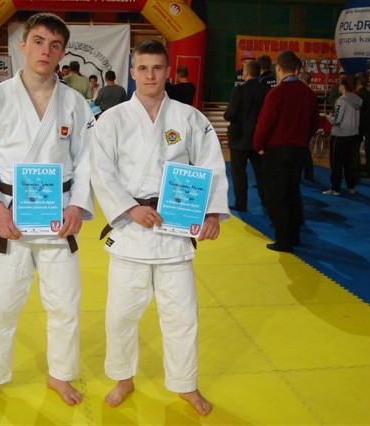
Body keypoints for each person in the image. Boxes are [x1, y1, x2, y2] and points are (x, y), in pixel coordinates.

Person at [90, 39, 229, 416]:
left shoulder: (190, 118)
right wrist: (129, 209)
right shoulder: (112, 119)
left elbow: (211, 166)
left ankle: (186, 384)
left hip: (174, 231)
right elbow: (100, 171)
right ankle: (123, 378)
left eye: (157, 68)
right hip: (131, 231)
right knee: (121, 314)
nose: (150, 75)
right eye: (143, 68)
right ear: (132, 72)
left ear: (168, 72)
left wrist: (212, 212)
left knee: (182, 316)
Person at [0, 13, 94, 410]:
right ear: (22, 45)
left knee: (65, 305)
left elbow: (88, 160)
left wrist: (78, 205)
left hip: (59, 217)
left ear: (63, 53)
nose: (45, 51)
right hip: (12, 217)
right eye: (38, 41)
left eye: (55, 45)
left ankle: (60, 374)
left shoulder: (76, 103)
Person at [254, 50, 319, 253]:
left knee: (277, 195)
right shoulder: (308, 93)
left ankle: (284, 240)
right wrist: (304, 140)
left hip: (277, 150)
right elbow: (315, 122)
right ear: (297, 69)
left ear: (279, 68)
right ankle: (294, 235)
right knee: (293, 192)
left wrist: (258, 145)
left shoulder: (277, 93)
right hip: (299, 150)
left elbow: (265, 123)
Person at [223, 59, 268, 211]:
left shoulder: (239, 91)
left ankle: (241, 203)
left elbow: (230, 114)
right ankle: (266, 201)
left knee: (239, 174)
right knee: (261, 173)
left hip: (239, 138)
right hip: (259, 138)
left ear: (246, 73)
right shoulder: (266, 91)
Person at [323, 75, 362, 196]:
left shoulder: (341, 100)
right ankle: (351, 186)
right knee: (350, 162)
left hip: (340, 135)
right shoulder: (358, 100)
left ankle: (335, 188)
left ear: (343, 86)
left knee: (336, 163)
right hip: (353, 134)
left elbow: (336, 119)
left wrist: (327, 116)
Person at [298, 71, 315, 182]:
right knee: (305, 151)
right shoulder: (311, 94)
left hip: (302, 127)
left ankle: (304, 174)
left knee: (302, 151)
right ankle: (308, 174)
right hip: (307, 127)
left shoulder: (303, 94)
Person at [354, 72, 370, 182]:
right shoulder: (367, 93)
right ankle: (356, 172)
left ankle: (355, 173)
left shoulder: (361, 95)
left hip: (358, 126)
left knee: (354, 151)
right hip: (363, 126)